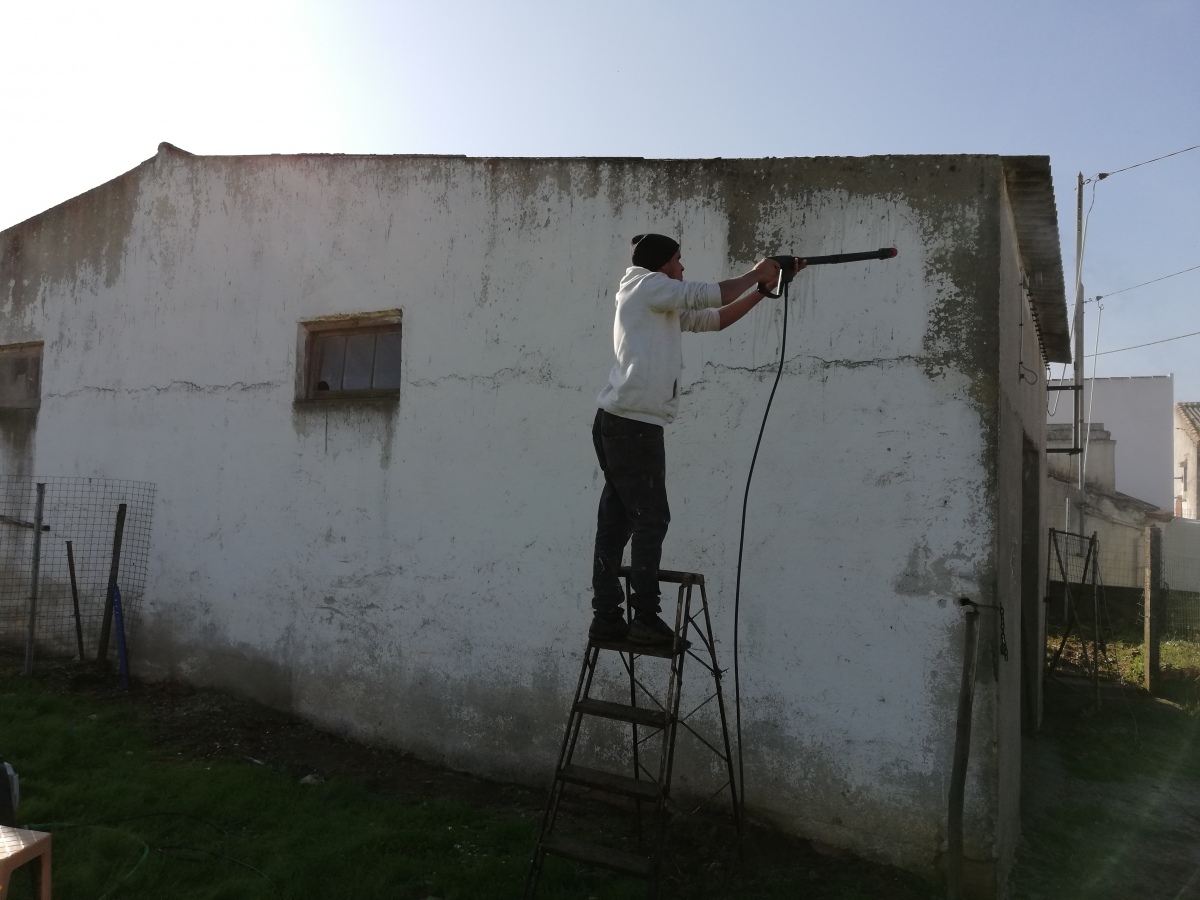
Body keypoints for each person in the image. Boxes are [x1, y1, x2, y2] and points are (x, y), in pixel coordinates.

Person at [590, 234, 804, 645]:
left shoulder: (655, 301)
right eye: (678, 261)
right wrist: (757, 272)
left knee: (616, 524)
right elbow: (707, 294)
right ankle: (645, 618)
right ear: (661, 265)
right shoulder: (646, 284)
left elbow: (715, 317)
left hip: (623, 423)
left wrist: (763, 289)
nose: (683, 268)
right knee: (652, 520)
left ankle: (607, 616)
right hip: (633, 425)